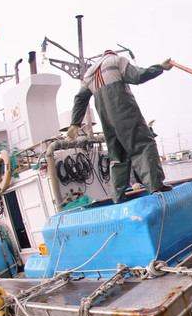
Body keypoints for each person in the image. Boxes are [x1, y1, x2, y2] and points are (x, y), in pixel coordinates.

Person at [67, 51, 173, 203]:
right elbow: (138, 76)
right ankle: (156, 186)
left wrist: (75, 124)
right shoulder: (116, 61)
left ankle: (117, 197)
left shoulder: (88, 75)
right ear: (112, 54)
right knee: (143, 145)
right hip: (124, 113)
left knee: (117, 157)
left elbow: (80, 99)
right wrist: (160, 67)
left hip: (107, 122)